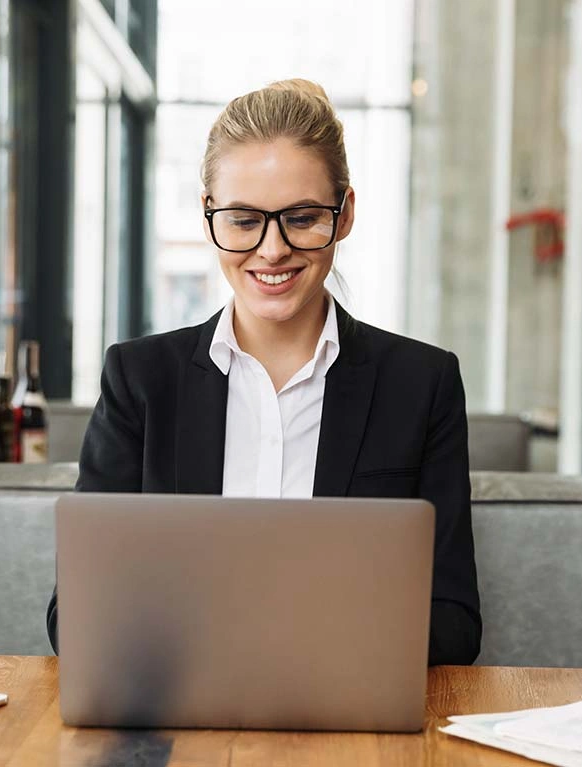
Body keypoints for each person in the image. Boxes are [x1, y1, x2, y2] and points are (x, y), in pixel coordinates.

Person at [47, 79, 481, 664]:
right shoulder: (140, 380)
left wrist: (290, 647)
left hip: (347, 727)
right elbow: (73, 615)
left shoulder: (421, 384)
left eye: (301, 218)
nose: (272, 250)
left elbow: (454, 624)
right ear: (209, 216)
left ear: (344, 213)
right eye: (244, 220)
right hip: (179, 719)